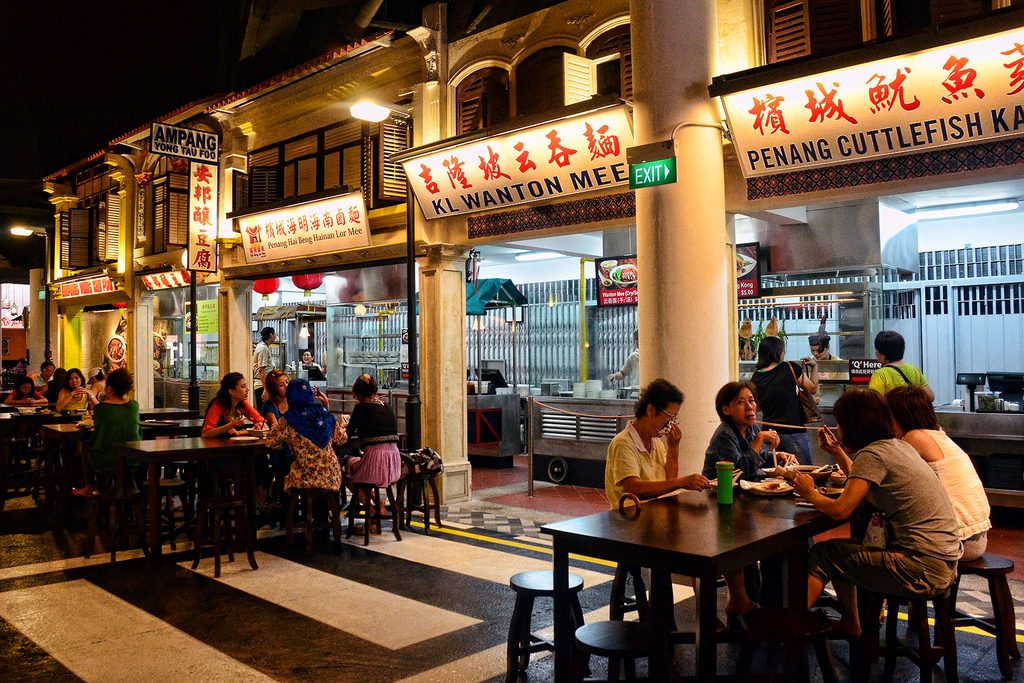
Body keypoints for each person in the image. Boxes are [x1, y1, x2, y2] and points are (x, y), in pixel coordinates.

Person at [792, 388, 961, 639]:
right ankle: (850, 622)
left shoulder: (873, 454)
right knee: (841, 554)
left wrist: (810, 493)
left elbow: (841, 510)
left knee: (825, 554)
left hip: (920, 567)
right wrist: (837, 452)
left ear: (852, 426)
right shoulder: (896, 447)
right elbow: (863, 478)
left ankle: (789, 629)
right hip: (945, 561)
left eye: (840, 424)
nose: (838, 429)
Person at [887, 385, 990, 561]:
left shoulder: (915, 437)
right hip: (977, 536)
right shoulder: (938, 435)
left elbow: (883, 476)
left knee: (874, 540)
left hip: (957, 541)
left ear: (899, 415)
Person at [605, 378, 709, 507]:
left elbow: (669, 482)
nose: (671, 423)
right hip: (630, 519)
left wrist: (673, 448)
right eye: (670, 417)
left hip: (654, 514)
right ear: (651, 410)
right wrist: (682, 482)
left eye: (674, 418)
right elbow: (633, 488)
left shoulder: (656, 442)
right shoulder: (623, 443)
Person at [265, 378, 346, 494]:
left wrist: (290, 443)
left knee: (285, 475)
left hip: (304, 478)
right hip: (331, 477)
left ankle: (287, 510)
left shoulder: (288, 419)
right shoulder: (324, 414)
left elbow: (270, 442)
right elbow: (342, 439)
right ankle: (320, 511)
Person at [750, 336, 817, 465]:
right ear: (779, 353)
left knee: (775, 472)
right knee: (803, 470)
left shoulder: (756, 377)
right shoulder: (789, 368)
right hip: (794, 430)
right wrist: (814, 367)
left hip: (769, 432)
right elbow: (812, 388)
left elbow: (756, 407)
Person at [74, 369, 141, 497]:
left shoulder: (102, 409)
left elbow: (100, 433)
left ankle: (90, 485)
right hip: (133, 457)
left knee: (86, 447)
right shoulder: (134, 406)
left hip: (107, 459)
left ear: (109, 389)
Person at [344, 374, 403, 513]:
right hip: (394, 462)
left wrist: (342, 426)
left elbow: (347, 434)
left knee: (345, 471)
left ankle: (371, 510)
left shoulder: (361, 408)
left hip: (375, 462)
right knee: (361, 476)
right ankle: (378, 502)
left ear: (358, 394)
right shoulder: (386, 406)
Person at [868, 330, 934, 401]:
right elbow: (930, 396)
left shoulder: (880, 374)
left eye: (876, 351)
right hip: (911, 412)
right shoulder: (914, 369)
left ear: (883, 354)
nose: (876, 354)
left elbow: (875, 402)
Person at [202, 372, 265, 438]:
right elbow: (206, 433)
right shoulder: (218, 404)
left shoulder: (243, 403)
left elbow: (263, 424)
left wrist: (239, 432)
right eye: (243, 386)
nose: (247, 390)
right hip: (215, 445)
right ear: (232, 391)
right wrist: (231, 425)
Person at [252, 326, 276, 410]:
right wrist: (266, 389)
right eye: (274, 334)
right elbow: (261, 370)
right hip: (261, 385)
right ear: (271, 335)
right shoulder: (263, 348)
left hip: (265, 384)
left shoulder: (264, 347)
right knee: (265, 411)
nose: (275, 336)